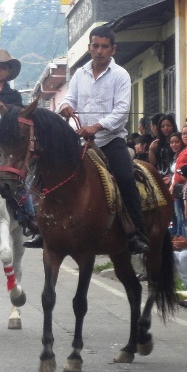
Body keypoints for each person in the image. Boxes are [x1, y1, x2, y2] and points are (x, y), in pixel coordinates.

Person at [58, 26, 149, 254]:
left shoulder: (121, 75)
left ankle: (136, 233)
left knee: (125, 179)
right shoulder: (80, 74)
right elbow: (69, 99)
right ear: (89, 47)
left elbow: (121, 111)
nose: (99, 51)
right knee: (54, 172)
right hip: (81, 142)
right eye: (95, 45)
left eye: (104, 46)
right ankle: (48, 227)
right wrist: (66, 107)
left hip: (111, 140)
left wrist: (96, 127)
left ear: (113, 49)